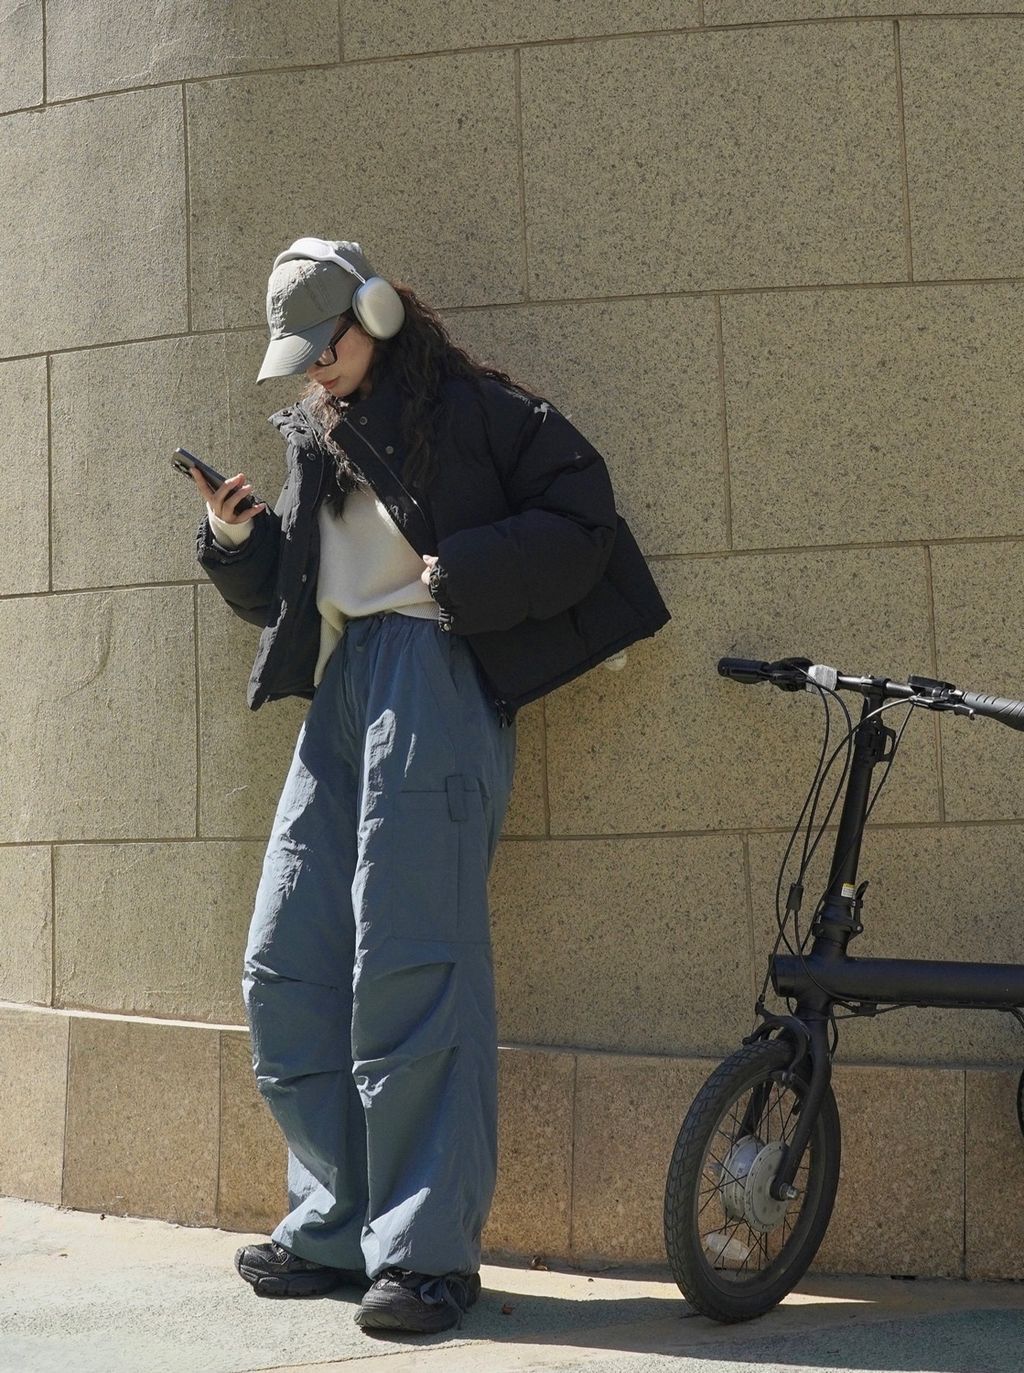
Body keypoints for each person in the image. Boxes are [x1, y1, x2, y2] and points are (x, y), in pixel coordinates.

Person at [191, 237, 670, 1335]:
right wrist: (234, 539)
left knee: (415, 956)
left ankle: (425, 1256)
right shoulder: (319, 434)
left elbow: (583, 517)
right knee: (286, 956)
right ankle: (333, 1225)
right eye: (301, 359)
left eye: (325, 347)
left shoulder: (477, 410)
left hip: (437, 674)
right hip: (346, 683)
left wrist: (462, 576)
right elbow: (291, 594)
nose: (315, 371)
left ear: (376, 313)